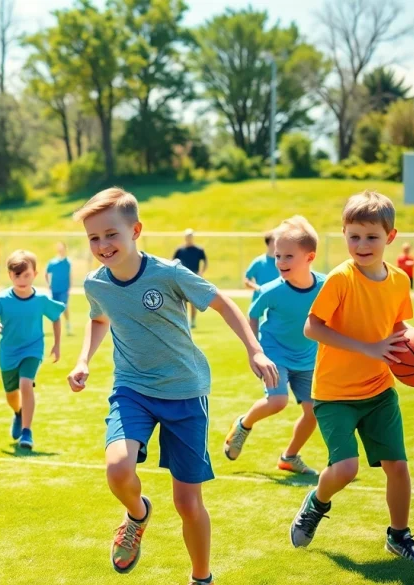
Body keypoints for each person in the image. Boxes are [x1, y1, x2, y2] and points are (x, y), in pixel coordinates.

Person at [67, 188, 277, 585]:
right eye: (94, 238)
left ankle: (201, 578)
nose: (102, 245)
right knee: (117, 469)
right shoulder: (96, 285)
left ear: (136, 230)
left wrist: (255, 350)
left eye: (111, 234)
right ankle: (137, 514)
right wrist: (83, 360)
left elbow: (221, 302)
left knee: (187, 502)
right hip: (132, 389)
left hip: (185, 391)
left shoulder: (169, 272)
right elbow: (99, 320)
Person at [290, 190, 414, 564]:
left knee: (398, 467)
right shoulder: (340, 279)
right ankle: (317, 502)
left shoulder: (398, 280)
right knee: (345, 468)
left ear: (390, 237)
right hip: (334, 393)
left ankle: (399, 537)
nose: (362, 244)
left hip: (379, 390)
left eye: (371, 236)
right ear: (344, 234)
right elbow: (312, 327)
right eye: (354, 236)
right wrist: (369, 348)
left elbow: (399, 329)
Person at [224, 217, 324, 476]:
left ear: (310, 257)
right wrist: (254, 351)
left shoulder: (326, 286)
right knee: (278, 401)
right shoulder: (269, 290)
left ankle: (289, 457)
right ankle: (244, 425)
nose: (280, 262)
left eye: (288, 256)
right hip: (275, 352)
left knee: (313, 413)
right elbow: (253, 315)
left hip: (307, 357)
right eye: (278, 256)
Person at [0, 250, 64, 451]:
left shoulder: (41, 299)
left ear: (35, 274)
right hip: (8, 353)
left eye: (26, 275)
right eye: (17, 275)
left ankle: (27, 432)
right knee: (11, 394)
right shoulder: (2, 299)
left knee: (26, 384)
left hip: (33, 349)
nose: (22, 279)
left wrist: (57, 344)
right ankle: (18, 413)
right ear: (10, 275)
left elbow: (56, 317)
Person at [172, 228, 208, 328]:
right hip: (181, 278)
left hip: (193, 277)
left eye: (190, 236)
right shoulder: (180, 250)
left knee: (193, 301)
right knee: (182, 301)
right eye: (187, 236)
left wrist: (201, 272)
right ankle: (184, 320)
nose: (189, 238)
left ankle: (192, 321)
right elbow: (172, 262)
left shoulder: (199, 250)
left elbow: (205, 261)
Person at [243, 231, 279, 303]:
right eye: (275, 241)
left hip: (277, 301)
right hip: (259, 301)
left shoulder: (282, 262)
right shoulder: (259, 262)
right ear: (268, 243)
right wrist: (258, 288)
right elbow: (246, 280)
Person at [46, 241, 72, 335]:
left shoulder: (67, 262)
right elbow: (46, 273)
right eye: (59, 248)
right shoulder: (52, 262)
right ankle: (56, 328)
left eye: (62, 248)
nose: (61, 250)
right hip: (54, 289)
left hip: (64, 289)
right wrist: (48, 283)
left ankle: (68, 326)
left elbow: (69, 275)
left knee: (64, 306)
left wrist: (70, 286)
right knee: (55, 308)